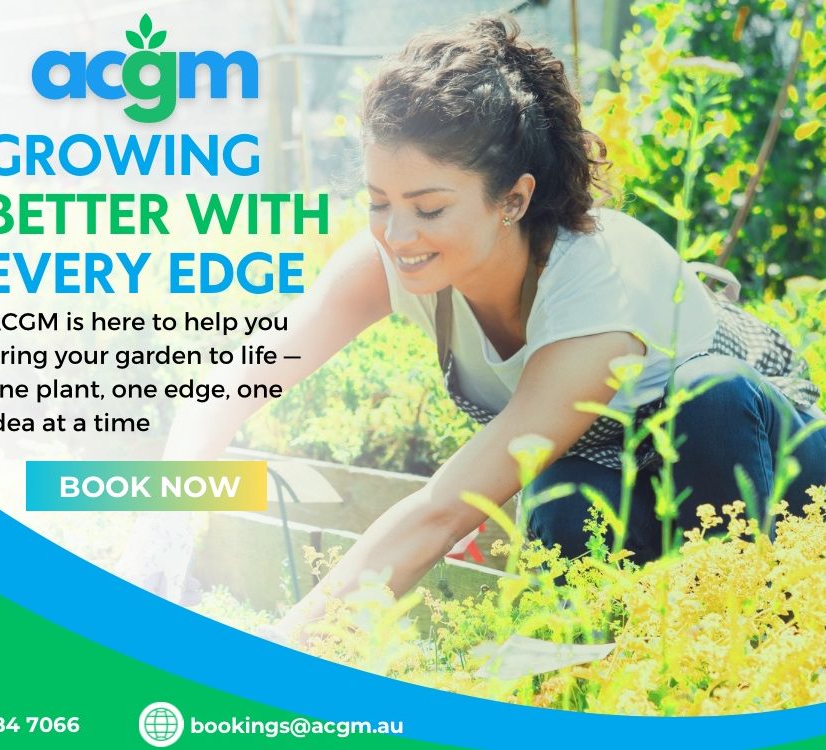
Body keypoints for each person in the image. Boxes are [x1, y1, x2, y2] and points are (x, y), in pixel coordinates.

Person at [145, 16, 825, 642]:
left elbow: (443, 509)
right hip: (634, 481)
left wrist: (282, 650)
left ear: (515, 199)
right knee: (562, 499)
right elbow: (242, 376)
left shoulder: (594, 292)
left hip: (776, 473)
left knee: (707, 397)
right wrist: (167, 518)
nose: (397, 233)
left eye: (430, 208)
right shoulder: (394, 249)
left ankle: (748, 655)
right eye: (379, 201)